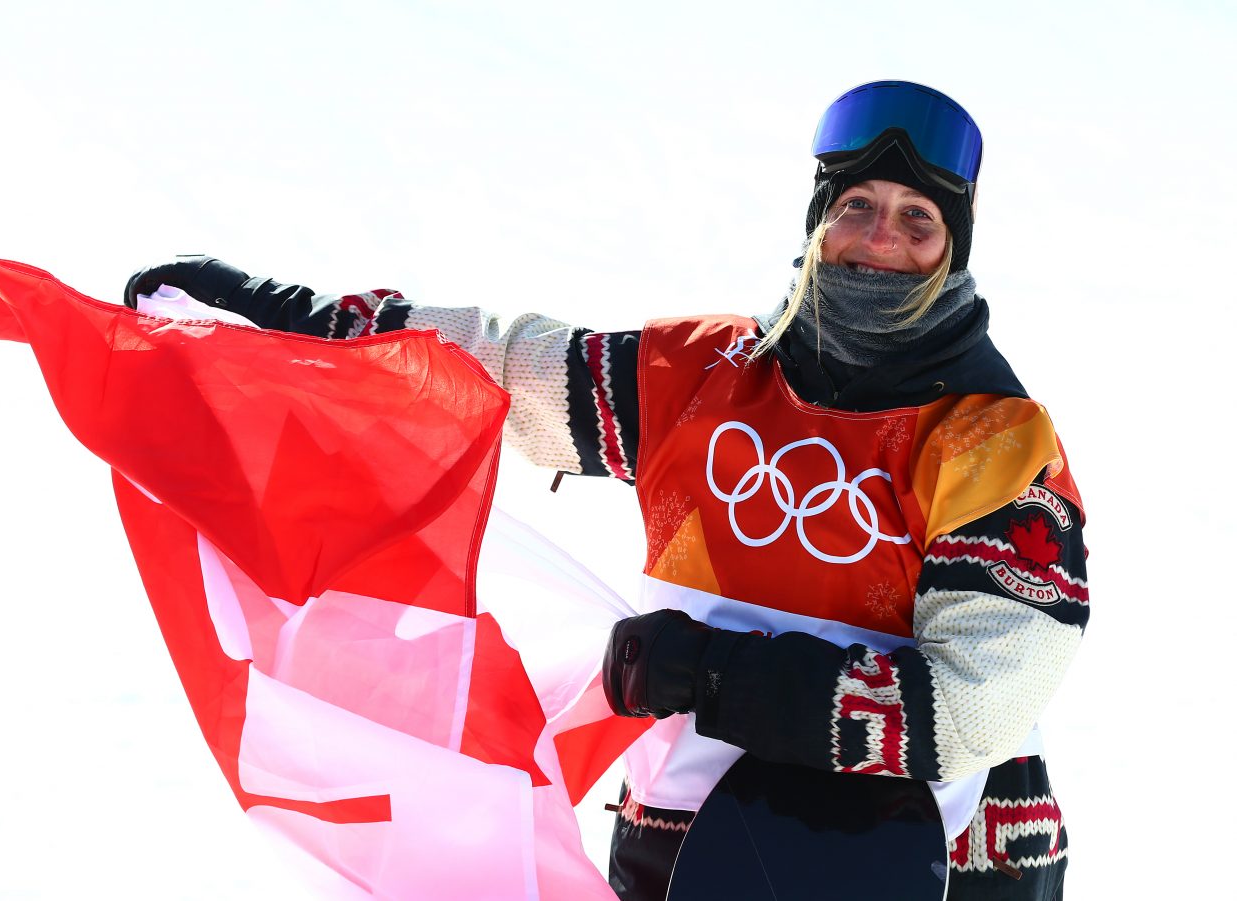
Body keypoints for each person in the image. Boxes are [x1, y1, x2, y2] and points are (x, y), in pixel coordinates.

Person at [126, 80, 1086, 900]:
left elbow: (970, 706)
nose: (881, 239)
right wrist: (293, 329)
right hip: (694, 847)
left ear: (952, 246)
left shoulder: (994, 441)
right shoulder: (705, 376)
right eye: (856, 206)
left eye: (917, 218)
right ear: (818, 221)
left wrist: (711, 673)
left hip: (928, 865)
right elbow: (495, 371)